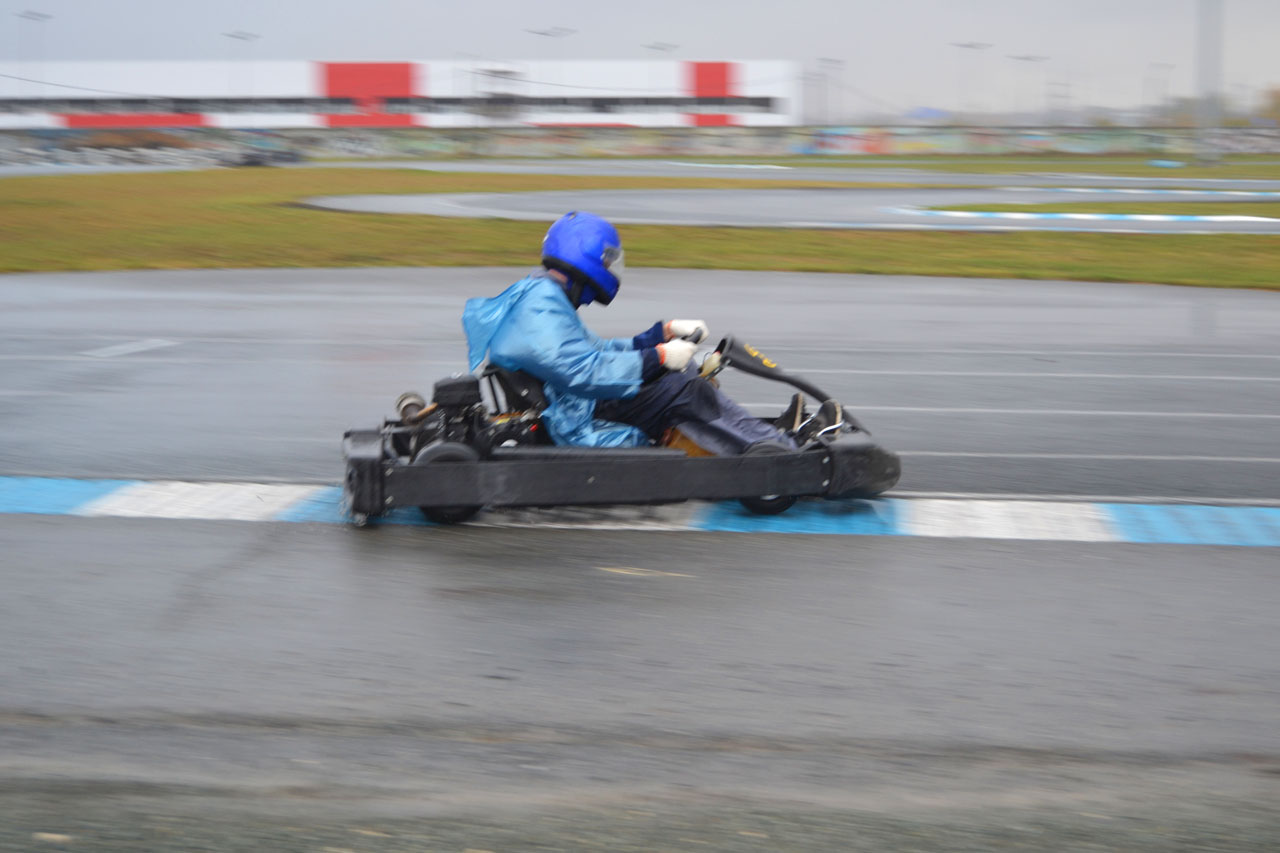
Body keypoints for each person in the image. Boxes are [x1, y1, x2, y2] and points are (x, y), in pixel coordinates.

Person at [461, 211, 802, 454]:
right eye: (608, 260)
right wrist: (658, 357)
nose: (611, 268)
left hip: (574, 402)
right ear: (586, 256)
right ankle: (772, 450)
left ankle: (760, 435)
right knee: (683, 389)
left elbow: (596, 351)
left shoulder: (542, 297)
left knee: (683, 372)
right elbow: (584, 372)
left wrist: (659, 336)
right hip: (574, 416)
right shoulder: (539, 309)